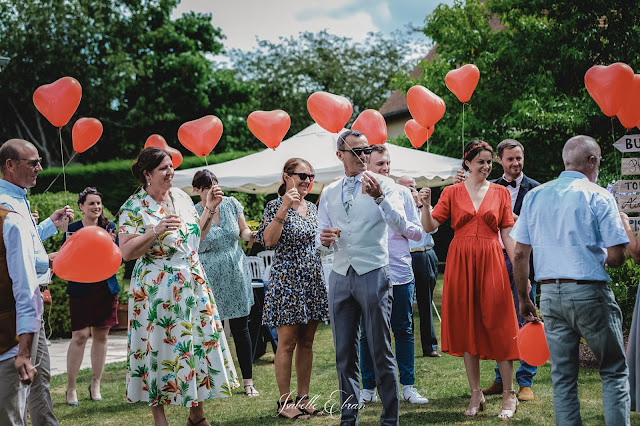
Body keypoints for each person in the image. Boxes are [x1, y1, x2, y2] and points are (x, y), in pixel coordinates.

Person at [512, 135, 630, 426]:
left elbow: (519, 254)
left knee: (563, 377)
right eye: (599, 160)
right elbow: (617, 257)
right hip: (589, 291)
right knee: (613, 370)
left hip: (550, 294)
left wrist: (524, 298)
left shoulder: (536, 195)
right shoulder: (598, 194)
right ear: (592, 161)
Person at [118, 147, 238, 426]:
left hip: (192, 282)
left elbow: (197, 237)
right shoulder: (133, 207)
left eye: (171, 166)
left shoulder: (182, 197)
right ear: (147, 174)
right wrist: (155, 230)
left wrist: (209, 207)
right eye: (163, 168)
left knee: (192, 345)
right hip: (156, 289)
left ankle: (197, 416)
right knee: (158, 349)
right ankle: (160, 418)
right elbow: (126, 252)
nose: (170, 172)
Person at [419, 140, 520, 419]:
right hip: (460, 262)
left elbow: (508, 234)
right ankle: (476, 393)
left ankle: (510, 394)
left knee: (499, 324)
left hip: (492, 261)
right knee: (468, 326)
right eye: (480, 162)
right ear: (467, 163)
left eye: (489, 162)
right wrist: (426, 205)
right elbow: (430, 226)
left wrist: (518, 266)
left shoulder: (501, 193)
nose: (486, 167)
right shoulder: (451, 192)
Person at [318, 129, 413, 426]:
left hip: (373, 271)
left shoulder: (387, 185)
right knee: (344, 354)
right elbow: (321, 235)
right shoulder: (329, 191)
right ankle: (349, 419)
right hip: (340, 275)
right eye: (356, 151)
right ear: (340, 156)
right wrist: (324, 239)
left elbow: (400, 225)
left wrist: (380, 198)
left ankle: (389, 420)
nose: (362, 156)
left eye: (366, 150)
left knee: (380, 348)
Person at [0, 138, 73, 426]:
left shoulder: (17, 198)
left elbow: (21, 245)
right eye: (34, 163)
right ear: (10, 165)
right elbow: (20, 264)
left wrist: (46, 226)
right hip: (20, 308)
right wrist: (51, 260)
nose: (40, 168)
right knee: (31, 380)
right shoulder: (6, 206)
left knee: (38, 379)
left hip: (31, 303)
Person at [255, 158, 328, 420]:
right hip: (287, 282)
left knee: (307, 342)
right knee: (286, 344)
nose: (307, 180)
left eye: (310, 176)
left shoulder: (312, 206)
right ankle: (284, 402)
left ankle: (304, 398)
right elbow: (268, 241)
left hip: (311, 280)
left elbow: (316, 241)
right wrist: (285, 206)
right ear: (287, 176)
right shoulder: (274, 205)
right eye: (301, 175)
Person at [358, 145, 429, 406]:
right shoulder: (357, 193)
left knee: (403, 329)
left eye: (387, 163)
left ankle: (408, 386)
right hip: (369, 271)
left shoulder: (401, 192)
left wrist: (401, 229)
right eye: (379, 164)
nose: (385, 168)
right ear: (367, 166)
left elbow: (418, 232)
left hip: (399, 271)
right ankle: (368, 388)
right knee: (369, 332)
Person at [480, 139, 540, 402]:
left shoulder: (536, 190)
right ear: (500, 161)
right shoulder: (489, 188)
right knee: (500, 321)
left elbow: (539, 228)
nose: (515, 163)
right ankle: (500, 378)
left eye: (519, 158)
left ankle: (526, 379)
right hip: (495, 261)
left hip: (524, 262)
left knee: (527, 318)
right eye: (510, 159)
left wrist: (516, 221)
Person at [191, 170, 258, 398]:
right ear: (197, 191)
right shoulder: (194, 212)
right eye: (207, 186)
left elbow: (243, 231)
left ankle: (248, 382)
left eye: (215, 183)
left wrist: (252, 235)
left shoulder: (231, 204)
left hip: (235, 270)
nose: (213, 188)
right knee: (213, 328)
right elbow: (195, 240)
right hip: (209, 274)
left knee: (241, 327)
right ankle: (215, 381)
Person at [64, 187, 120, 405]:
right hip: (80, 288)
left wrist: (110, 243)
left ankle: (95, 384)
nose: (96, 207)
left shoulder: (110, 227)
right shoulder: (72, 228)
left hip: (105, 288)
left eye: (99, 203)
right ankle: (71, 389)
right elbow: (66, 258)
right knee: (79, 336)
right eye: (91, 204)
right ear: (81, 207)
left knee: (101, 337)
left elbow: (117, 259)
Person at [397, 175, 440, 358]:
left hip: (425, 253)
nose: (412, 191)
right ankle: (407, 345)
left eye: (413, 187)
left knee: (426, 300)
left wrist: (423, 206)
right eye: (407, 188)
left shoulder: (424, 206)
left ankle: (429, 346)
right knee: (405, 302)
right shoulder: (398, 208)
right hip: (406, 255)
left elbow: (433, 228)